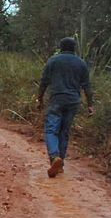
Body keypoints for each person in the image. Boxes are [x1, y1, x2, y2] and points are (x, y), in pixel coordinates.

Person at [38, 37, 95, 178]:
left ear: (60, 47)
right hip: (73, 101)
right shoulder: (81, 63)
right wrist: (90, 105)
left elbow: (44, 82)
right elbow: (87, 86)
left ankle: (54, 157)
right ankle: (60, 164)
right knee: (64, 132)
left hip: (56, 99)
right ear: (74, 48)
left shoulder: (53, 61)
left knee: (51, 130)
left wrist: (39, 99)